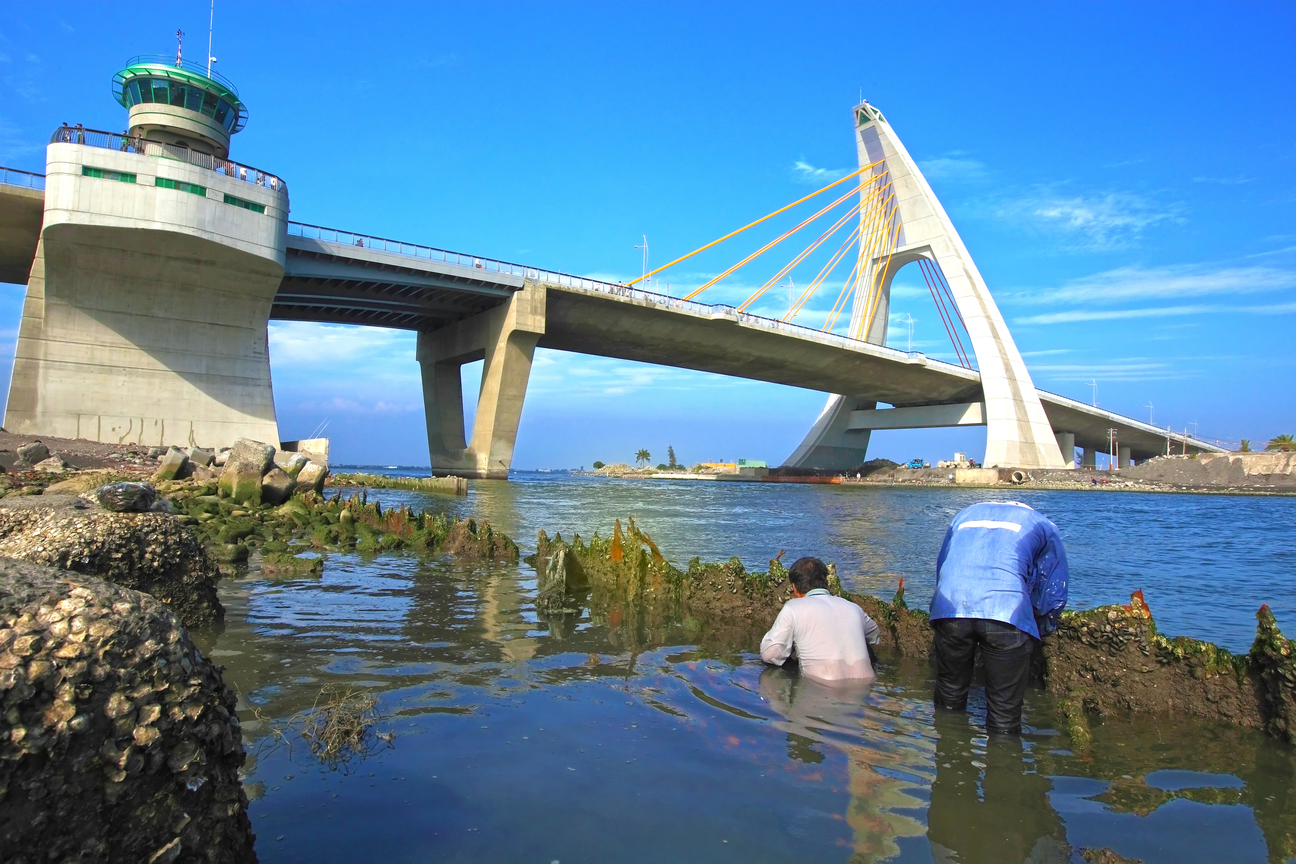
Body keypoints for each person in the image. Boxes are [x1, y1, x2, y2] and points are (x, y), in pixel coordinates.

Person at [929, 501, 1068, 735]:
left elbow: (944, 567)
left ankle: (948, 754)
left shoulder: (963, 516)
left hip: (950, 607)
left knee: (949, 691)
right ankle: (1003, 763)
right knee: (1004, 711)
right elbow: (1053, 590)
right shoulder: (1042, 525)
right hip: (1006, 612)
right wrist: (1041, 628)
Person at [760, 557, 880, 682]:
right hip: (864, 686)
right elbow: (875, 636)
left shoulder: (793, 608)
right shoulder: (854, 607)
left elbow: (769, 654)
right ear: (826, 583)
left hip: (820, 687)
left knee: (774, 659)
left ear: (794, 588)